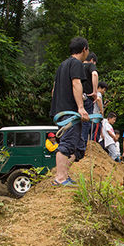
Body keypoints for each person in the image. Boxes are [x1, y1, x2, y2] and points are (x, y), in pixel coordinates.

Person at [49, 36, 89, 186]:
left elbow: (54, 90)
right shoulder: (77, 64)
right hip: (69, 111)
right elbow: (76, 83)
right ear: (84, 49)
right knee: (66, 144)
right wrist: (80, 107)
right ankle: (60, 178)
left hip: (60, 110)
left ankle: (64, 176)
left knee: (73, 144)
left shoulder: (62, 65)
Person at [78, 52, 99, 153]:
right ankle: (83, 147)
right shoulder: (90, 66)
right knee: (86, 122)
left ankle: (76, 145)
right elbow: (94, 74)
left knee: (77, 121)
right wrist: (95, 91)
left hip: (77, 99)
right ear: (92, 60)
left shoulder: (77, 65)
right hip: (88, 97)